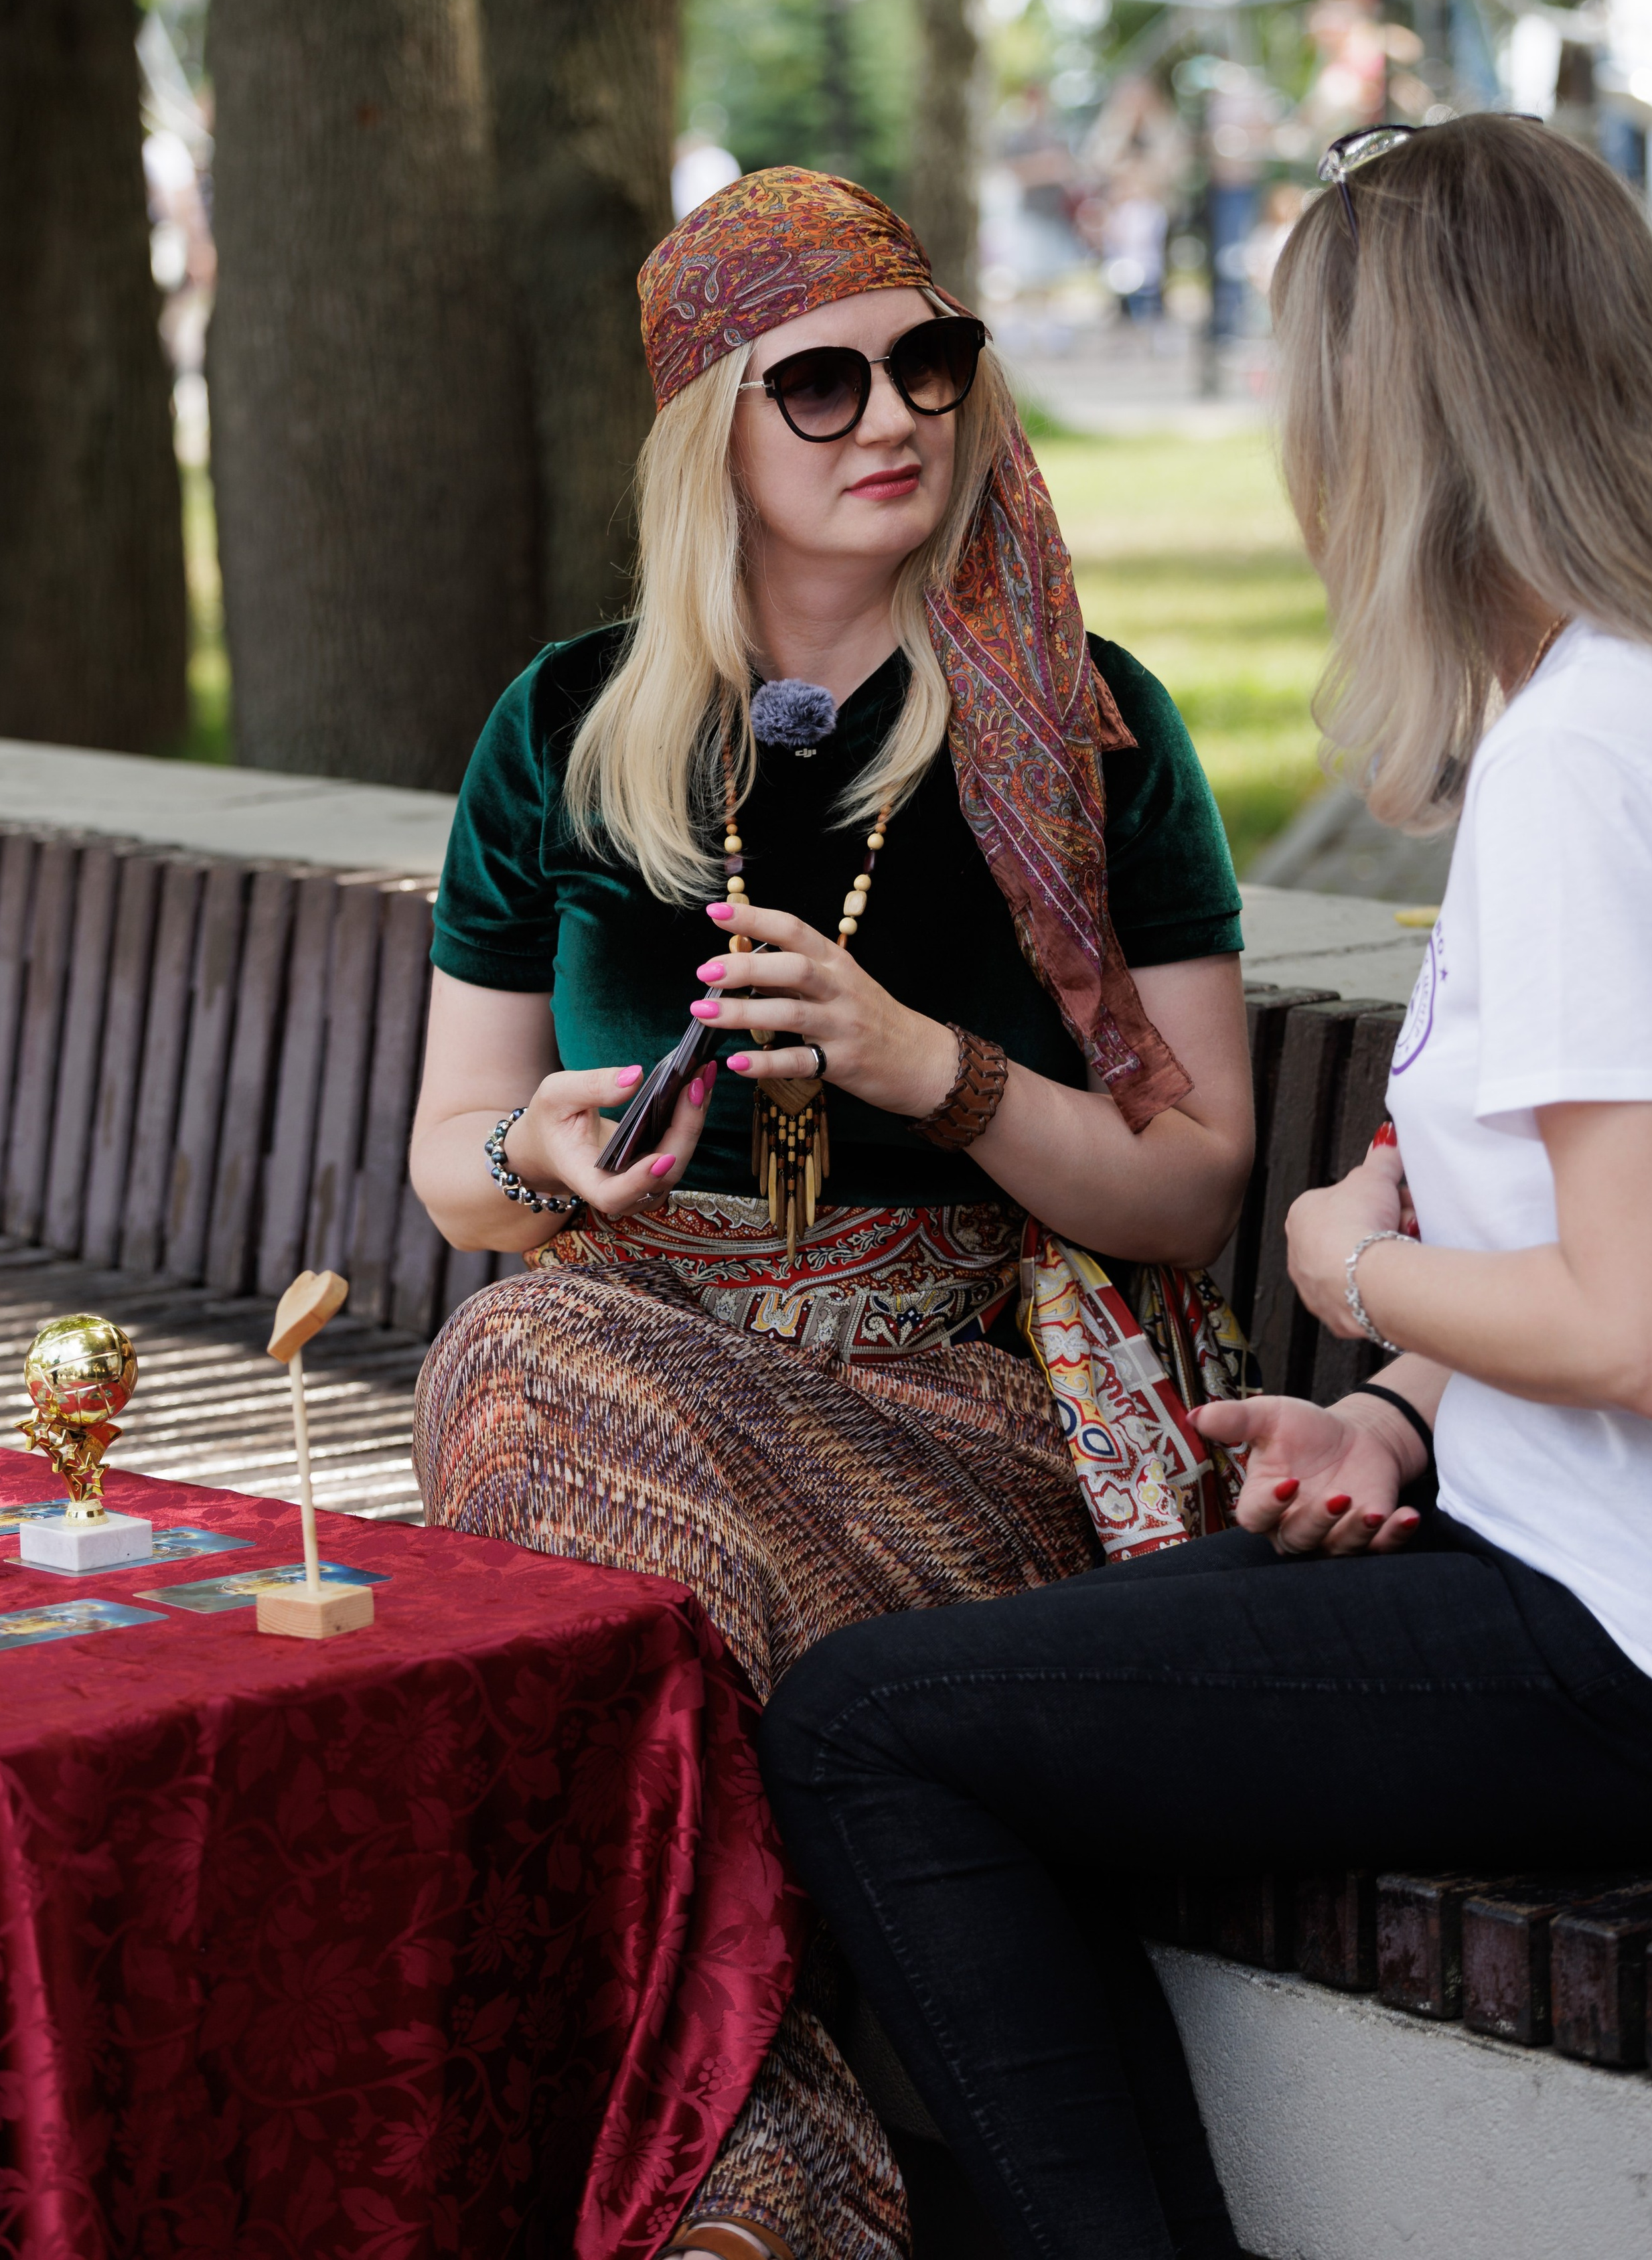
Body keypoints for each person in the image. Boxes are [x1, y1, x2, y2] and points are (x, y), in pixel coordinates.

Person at [758, 114, 1652, 2260]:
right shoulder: (1646, 697)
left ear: (1389, 425)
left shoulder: (1590, 758)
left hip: (1633, 1637)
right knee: (982, 1708)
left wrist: (1351, 1268)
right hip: (1579, 1555)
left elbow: (1649, 1331)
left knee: (872, 1732)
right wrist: (1395, 1418)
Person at [406, 166, 1255, 2260]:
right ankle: (748, 2172)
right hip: (635, 1355)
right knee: (531, 1358)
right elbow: (454, 1155)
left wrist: (928, 1069)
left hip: (965, 1404)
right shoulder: (567, 724)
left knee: (580, 1504)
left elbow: (1194, 1187)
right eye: (823, 383)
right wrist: (542, 1164)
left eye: (929, 362)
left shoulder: (1082, 722)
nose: (896, 417)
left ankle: (733, 2184)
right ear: (711, 424)